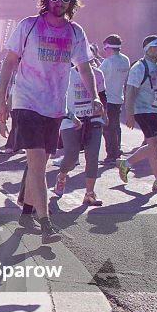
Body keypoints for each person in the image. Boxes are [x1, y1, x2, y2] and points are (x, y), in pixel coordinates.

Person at [0, 0, 99, 240]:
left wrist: (95, 97)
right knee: (38, 163)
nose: (59, 2)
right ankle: (46, 224)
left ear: (72, 2)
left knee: (39, 164)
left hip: (54, 107)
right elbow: (9, 63)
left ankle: (27, 214)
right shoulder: (28, 26)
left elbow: (84, 66)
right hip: (27, 102)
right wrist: (1, 99)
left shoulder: (75, 32)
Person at [117, 35, 157, 192]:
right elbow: (130, 90)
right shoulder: (140, 67)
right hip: (144, 110)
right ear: (148, 49)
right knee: (154, 143)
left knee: (155, 145)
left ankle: (126, 163)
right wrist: (129, 114)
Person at [52, 60, 107, 206]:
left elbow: (102, 96)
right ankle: (62, 177)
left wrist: (104, 114)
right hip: (70, 119)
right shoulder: (66, 74)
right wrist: (70, 116)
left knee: (93, 155)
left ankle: (89, 193)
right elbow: (57, 98)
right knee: (71, 155)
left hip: (93, 119)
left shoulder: (98, 74)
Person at [99, 34, 131, 163]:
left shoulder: (108, 62)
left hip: (108, 98)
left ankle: (111, 154)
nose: (105, 52)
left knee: (107, 127)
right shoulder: (125, 60)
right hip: (119, 97)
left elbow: (98, 76)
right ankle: (116, 149)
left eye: (105, 49)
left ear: (109, 48)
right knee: (116, 125)